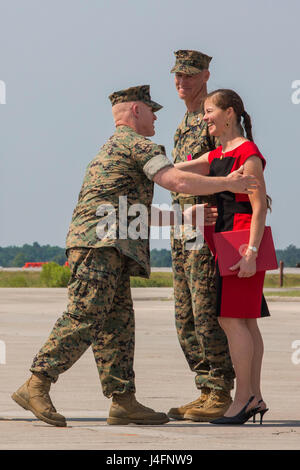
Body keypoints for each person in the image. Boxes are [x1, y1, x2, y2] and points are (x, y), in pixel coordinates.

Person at [11, 85, 256, 427]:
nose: (157, 116)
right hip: (101, 247)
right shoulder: (137, 145)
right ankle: (37, 382)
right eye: (151, 110)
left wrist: (183, 218)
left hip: (108, 245)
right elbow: (177, 182)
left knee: (117, 325)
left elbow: (131, 211)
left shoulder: (110, 149)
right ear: (136, 111)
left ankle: (123, 399)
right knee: (84, 316)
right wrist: (227, 182)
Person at [177, 88, 271, 425]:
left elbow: (259, 207)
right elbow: (177, 173)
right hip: (226, 241)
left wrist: (251, 252)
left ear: (229, 113)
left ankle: (243, 399)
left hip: (242, 241)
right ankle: (254, 396)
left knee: (231, 320)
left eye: (209, 111)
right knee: (244, 321)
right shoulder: (218, 155)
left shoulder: (248, 154)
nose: (205, 118)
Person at [167, 50, 235, 422]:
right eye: (177, 76)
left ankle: (221, 390)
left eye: (189, 76)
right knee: (184, 316)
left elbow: (229, 165)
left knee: (206, 313)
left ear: (207, 75)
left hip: (206, 230)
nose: (182, 82)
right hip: (182, 228)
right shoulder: (185, 121)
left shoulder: (213, 120)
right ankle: (205, 388)